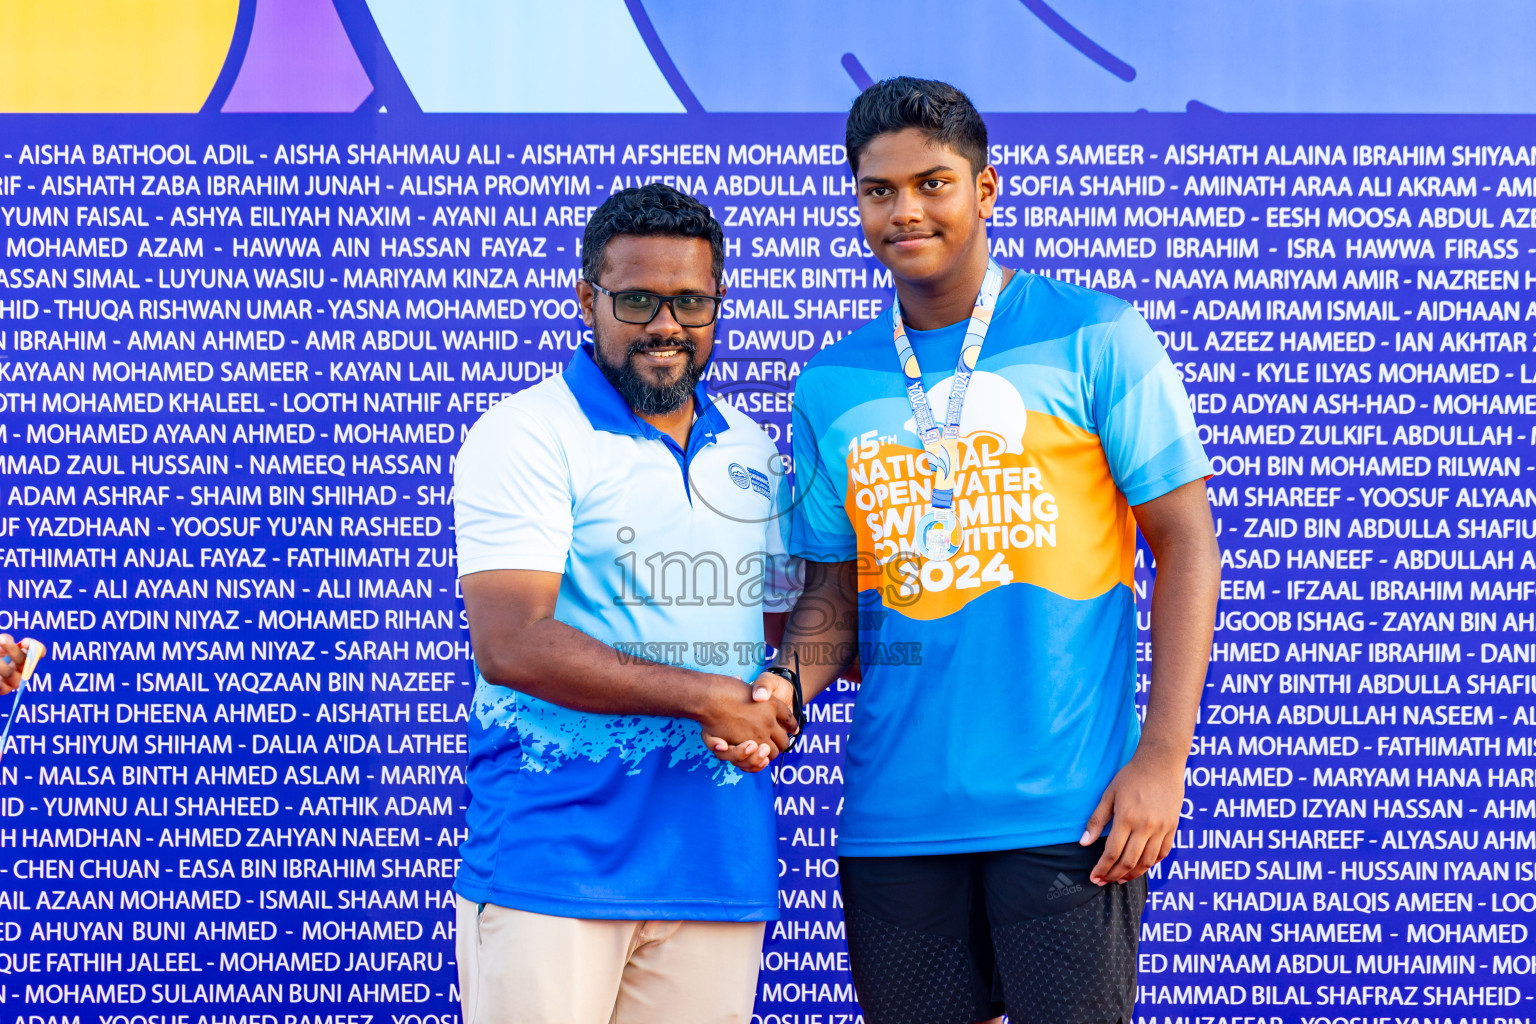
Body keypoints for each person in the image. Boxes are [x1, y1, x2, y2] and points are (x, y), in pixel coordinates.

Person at [735, 78, 1221, 1024]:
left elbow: (1187, 544)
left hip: (1070, 812)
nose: (907, 210)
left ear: (986, 188)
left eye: (934, 182)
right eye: (880, 191)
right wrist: (778, 694)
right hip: (896, 820)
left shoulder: (1095, 334)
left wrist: (1164, 756)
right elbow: (836, 596)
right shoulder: (833, 381)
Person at [452, 182, 800, 1024]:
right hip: (554, 859)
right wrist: (709, 698)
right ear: (588, 299)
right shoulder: (527, 432)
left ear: (718, 302)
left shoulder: (753, 451)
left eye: (690, 301)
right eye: (638, 299)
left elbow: (788, 634)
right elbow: (515, 643)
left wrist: (777, 696)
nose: (665, 326)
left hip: (715, 863)